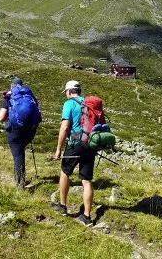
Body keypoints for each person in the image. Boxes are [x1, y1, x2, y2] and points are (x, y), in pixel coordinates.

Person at [51, 80, 95, 226]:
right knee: (86, 180)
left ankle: (63, 206)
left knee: (65, 172)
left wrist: (58, 148)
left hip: (75, 144)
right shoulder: (89, 103)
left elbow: (64, 128)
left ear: (69, 91)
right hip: (90, 144)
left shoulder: (69, 103)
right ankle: (87, 216)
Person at [0, 77, 38, 189]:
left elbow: (1, 118)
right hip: (29, 131)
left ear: (12, 86)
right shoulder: (29, 97)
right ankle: (21, 179)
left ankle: (20, 184)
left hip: (14, 131)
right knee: (21, 152)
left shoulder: (9, 98)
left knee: (18, 156)